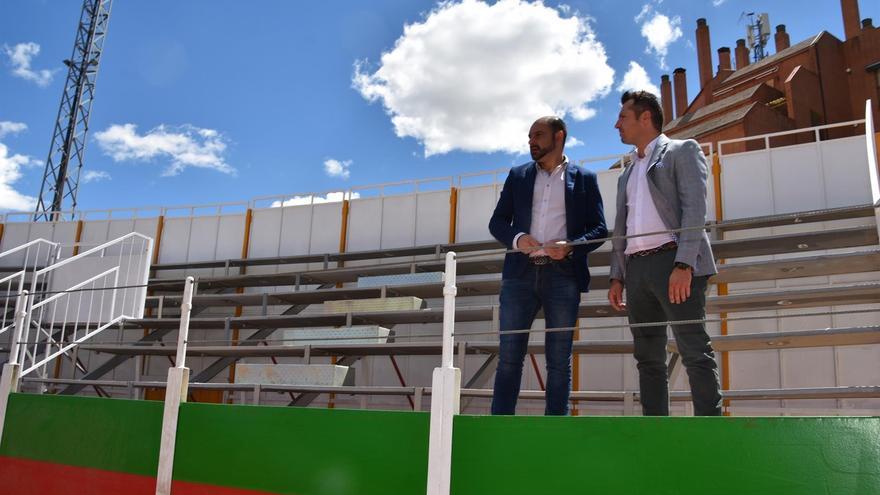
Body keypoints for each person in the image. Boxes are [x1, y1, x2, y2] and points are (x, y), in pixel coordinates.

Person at [608, 90, 722, 416]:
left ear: (646, 118)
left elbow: (695, 209)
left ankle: (710, 429)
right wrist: (617, 276)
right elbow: (621, 228)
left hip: (675, 262)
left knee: (694, 350)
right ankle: (655, 429)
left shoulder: (682, 150)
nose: (617, 124)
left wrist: (684, 263)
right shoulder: (626, 174)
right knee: (648, 358)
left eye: (623, 117)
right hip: (637, 270)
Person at [488, 116, 607, 415]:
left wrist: (570, 247)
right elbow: (497, 222)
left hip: (563, 275)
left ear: (559, 136)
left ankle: (556, 429)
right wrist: (517, 238)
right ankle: (500, 427)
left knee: (559, 360)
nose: (531, 141)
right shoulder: (517, 176)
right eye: (529, 136)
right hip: (519, 275)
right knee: (509, 357)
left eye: (538, 135)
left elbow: (599, 229)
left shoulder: (585, 178)